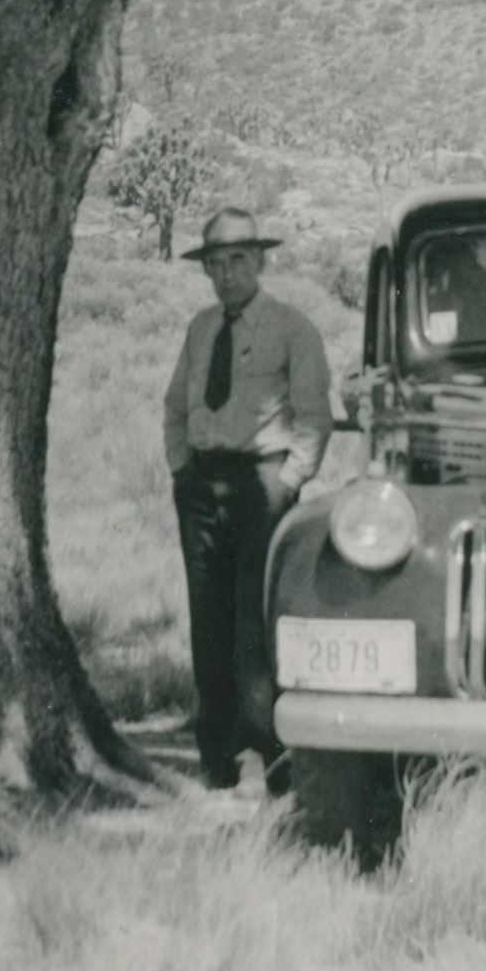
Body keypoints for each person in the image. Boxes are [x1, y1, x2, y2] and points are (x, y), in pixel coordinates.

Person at [164, 207, 332, 793]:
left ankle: (272, 755)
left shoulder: (292, 328)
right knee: (207, 616)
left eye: (239, 260)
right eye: (217, 262)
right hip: (202, 486)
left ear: (259, 261)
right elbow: (175, 407)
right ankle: (217, 753)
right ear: (205, 268)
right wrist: (183, 471)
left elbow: (314, 416)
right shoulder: (200, 328)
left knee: (254, 623)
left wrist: (287, 482)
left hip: (262, 485)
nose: (228, 273)